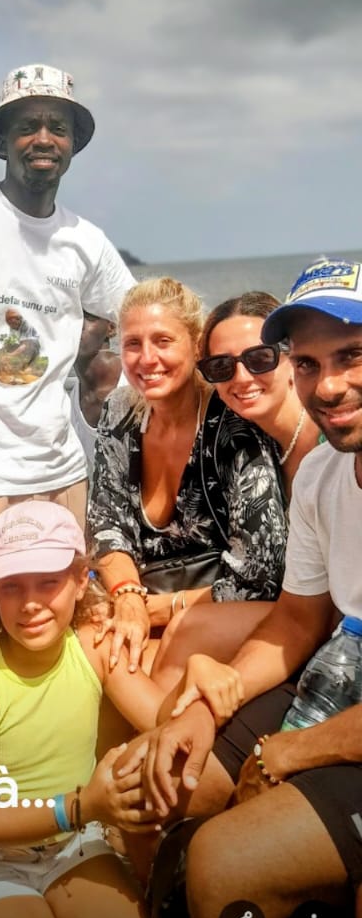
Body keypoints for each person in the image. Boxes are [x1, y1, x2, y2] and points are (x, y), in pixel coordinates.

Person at [118, 258, 362, 918]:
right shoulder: (324, 475)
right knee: (142, 786)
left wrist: (291, 752)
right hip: (340, 673)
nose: (329, 385)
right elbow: (296, 621)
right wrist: (206, 705)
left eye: (351, 357)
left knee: (226, 872)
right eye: (310, 363)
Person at [0, 63, 134, 823]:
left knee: (68, 650)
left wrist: (83, 352)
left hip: (63, 476)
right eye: (28, 124)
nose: (44, 137)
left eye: (58, 126)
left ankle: (70, 821)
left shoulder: (85, 242)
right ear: (2, 139)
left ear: (73, 143)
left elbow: (130, 313)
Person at [0, 500, 163, 918]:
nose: (30, 602)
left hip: (72, 847)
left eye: (48, 582)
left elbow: (164, 720)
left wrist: (204, 684)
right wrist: (84, 806)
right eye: (11, 586)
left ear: (81, 580)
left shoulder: (94, 646)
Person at [88, 277, 288, 672]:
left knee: (116, 665)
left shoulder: (231, 422)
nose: (147, 358)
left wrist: (152, 610)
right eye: (132, 344)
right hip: (144, 602)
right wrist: (126, 594)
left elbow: (258, 575)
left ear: (197, 346)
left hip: (216, 618)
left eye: (163, 341)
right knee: (87, 649)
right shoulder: (120, 412)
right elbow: (107, 523)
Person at [152, 290, 320, 699]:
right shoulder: (254, 443)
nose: (241, 378)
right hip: (297, 608)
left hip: (327, 619)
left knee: (189, 629)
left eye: (259, 358)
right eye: (221, 366)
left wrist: (172, 605)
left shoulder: (328, 440)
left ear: (290, 357)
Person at [68, 311, 121, 481]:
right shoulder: (70, 400)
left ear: (111, 327)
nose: (78, 324)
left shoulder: (136, 386)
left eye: (89, 317)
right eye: (72, 315)